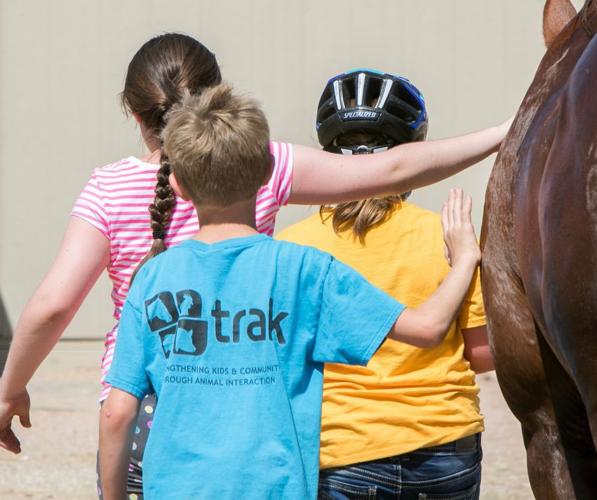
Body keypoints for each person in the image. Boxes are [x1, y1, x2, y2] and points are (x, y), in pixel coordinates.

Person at [0, 33, 507, 495]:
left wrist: (10, 389)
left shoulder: (111, 194)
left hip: (150, 417)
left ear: (133, 113)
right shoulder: (267, 170)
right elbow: (392, 167)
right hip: (255, 418)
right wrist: (508, 130)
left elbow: (53, 306)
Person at [98, 82, 481, 499]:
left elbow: (118, 412)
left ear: (179, 186)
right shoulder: (305, 269)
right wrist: (464, 260)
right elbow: (427, 328)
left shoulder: (153, 278)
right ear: (268, 173)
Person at [278, 69, 493, 500]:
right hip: (444, 448)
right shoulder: (446, 236)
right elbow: (483, 355)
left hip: (344, 452)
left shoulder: (291, 247)